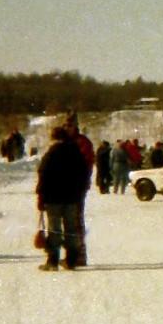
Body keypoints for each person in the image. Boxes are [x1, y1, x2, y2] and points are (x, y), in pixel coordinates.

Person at [35, 127, 90, 270]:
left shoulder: (51, 153)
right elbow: (84, 174)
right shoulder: (76, 153)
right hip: (72, 198)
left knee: (54, 229)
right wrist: (80, 192)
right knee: (71, 228)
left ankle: (52, 261)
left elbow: (43, 175)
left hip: (53, 199)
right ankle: (71, 260)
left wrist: (41, 196)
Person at [64, 113, 94, 266]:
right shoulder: (64, 142)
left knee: (76, 220)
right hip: (65, 186)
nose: (67, 127)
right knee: (68, 221)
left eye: (70, 125)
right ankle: (72, 253)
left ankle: (79, 255)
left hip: (77, 186)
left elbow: (87, 165)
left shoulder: (82, 142)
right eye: (65, 125)